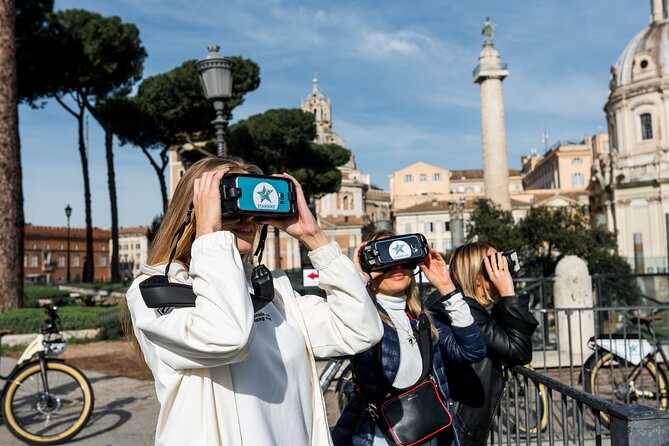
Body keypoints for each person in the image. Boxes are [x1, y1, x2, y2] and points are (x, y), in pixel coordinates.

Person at [125, 157, 384, 446]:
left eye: (251, 209)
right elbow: (226, 338)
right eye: (227, 204)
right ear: (193, 211)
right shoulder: (155, 290)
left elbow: (360, 330)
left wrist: (314, 238)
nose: (245, 218)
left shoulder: (274, 293)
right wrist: (209, 235)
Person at [332, 231, 487, 446]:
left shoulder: (422, 321)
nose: (397, 267)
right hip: (382, 437)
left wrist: (445, 286)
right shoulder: (363, 321)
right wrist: (356, 278)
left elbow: (473, 350)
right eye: (385, 261)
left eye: (404, 260)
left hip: (430, 433)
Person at [428, 242, 538, 446]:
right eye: (495, 266)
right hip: (459, 428)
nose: (503, 271)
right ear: (478, 278)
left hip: (452, 423)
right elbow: (519, 351)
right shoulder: (465, 312)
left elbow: (503, 338)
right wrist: (508, 293)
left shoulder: (456, 305)